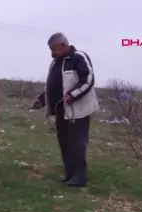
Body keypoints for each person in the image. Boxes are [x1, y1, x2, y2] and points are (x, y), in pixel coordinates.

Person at [30, 32, 99, 187]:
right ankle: (69, 174)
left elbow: (87, 80)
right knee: (65, 142)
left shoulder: (79, 57)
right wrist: (43, 99)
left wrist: (72, 95)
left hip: (78, 110)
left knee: (78, 142)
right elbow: (53, 85)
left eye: (54, 49)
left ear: (63, 45)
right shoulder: (56, 63)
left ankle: (79, 177)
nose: (52, 53)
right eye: (50, 50)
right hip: (61, 110)